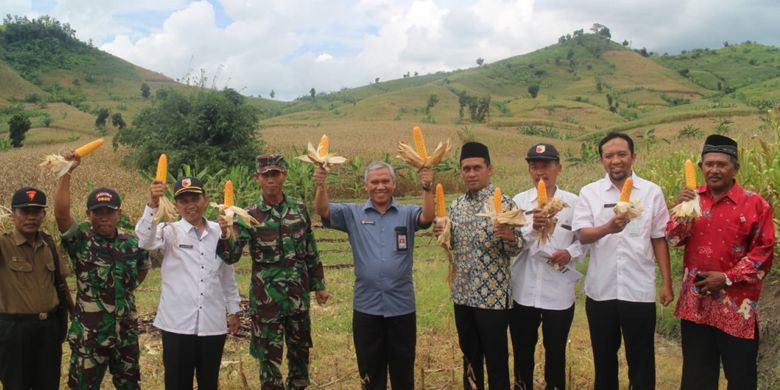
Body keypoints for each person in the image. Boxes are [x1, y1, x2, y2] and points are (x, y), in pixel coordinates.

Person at [313, 160, 434, 389]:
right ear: (366, 185)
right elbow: (323, 210)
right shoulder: (353, 214)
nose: (381, 186)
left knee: (403, 370)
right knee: (370, 371)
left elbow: (427, 217)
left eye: (385, 181)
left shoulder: (407, 213)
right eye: (375, 182)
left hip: (401, 306)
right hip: (367, 307)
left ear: (394, 184)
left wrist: (427, 187)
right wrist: (321, 185)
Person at [667, 134, 774, 390]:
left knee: (740, 377)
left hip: (737, 307)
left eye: (721, 164)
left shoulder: (755, 204)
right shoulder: (692, 199)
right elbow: (673, 239)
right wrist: (682, 211)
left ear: (735, 167)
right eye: (708, 163)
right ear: (701, 166)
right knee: (696, 377)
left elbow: (764, 251)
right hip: (696, 304)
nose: (714, 169)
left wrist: (726, 277)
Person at [572, 132, 674, 390]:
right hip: (601, 291)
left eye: (621, 154)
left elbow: (658, 237)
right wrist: (608, 227)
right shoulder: (590, 193)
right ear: (601, 160)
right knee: (604, 361)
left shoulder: (652, 192)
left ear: (633, 157)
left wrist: (667, 283)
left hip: (638, 290)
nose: (615, 160)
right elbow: (583, 235)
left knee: (641, 361)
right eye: (609, 156)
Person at [219, 154, 329, 390]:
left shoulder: (298, 211)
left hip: (297, 297)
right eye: (265, 175)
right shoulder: (248, 216)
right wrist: (227, 232)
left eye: (275, 174)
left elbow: (310, 249)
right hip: (266, 301)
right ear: (257, 178)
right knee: (268, 358)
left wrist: (319, 285)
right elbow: (231, 256)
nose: (271, 179)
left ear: (284, 176)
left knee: (300, 352)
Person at [53, 152, 150, 390]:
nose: (104, 217)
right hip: (90, 335)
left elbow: (141, 270)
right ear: (89, 215)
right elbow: (61, 215)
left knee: (129, 385)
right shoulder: (82, 242)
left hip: (124, 333)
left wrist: (122, 290)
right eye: (98, 212)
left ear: (118, 213)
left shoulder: (132, 243)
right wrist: (67, 171)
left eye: (109, 212)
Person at [135, 176, 241, 390]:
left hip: (212, 324)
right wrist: (152, 204)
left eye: (195, 198)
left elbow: (227, 274)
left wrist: (233, 309)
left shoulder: (220, 232)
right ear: (176, 205)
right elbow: (144, 240)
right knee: (177, 383)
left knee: (208, 383)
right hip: (177, 324)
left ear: (206, 200)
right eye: (184, 201)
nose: (190, 205)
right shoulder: (169, 231)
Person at [435, 141, 523, 390]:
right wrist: (441, 234)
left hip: (492, 297)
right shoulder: (455, 207)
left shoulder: (505, 204)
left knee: (496, 359)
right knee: (470, 357)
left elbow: (518, 248)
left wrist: (509, 236)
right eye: (466, 169)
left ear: (489, 169)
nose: (471, 174)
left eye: (476, 168)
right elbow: (451, 247)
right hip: (462, 295)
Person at [509, 143, 584, 390]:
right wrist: (533, 228)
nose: (540, 172)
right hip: (523, 292)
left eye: (546, 166)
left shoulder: (574, 203)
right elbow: (512, 246)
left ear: (558, 168)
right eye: (534, 166)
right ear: (529, 171)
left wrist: (569, 253)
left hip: (558, 294)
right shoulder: (519, 201)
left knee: (556, 354)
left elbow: (584, 242)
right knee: (522, 352)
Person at [0, 187, 72, 390]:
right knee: (16, 384)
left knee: (48, 384)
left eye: (36, 212)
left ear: (44, 214)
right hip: (15, 331)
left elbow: (60, 282)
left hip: (48, 328)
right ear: (13, 215)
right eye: (24, 212)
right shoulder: (4, 245)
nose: (30, 217)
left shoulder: (48, 244)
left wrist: (72, 313)